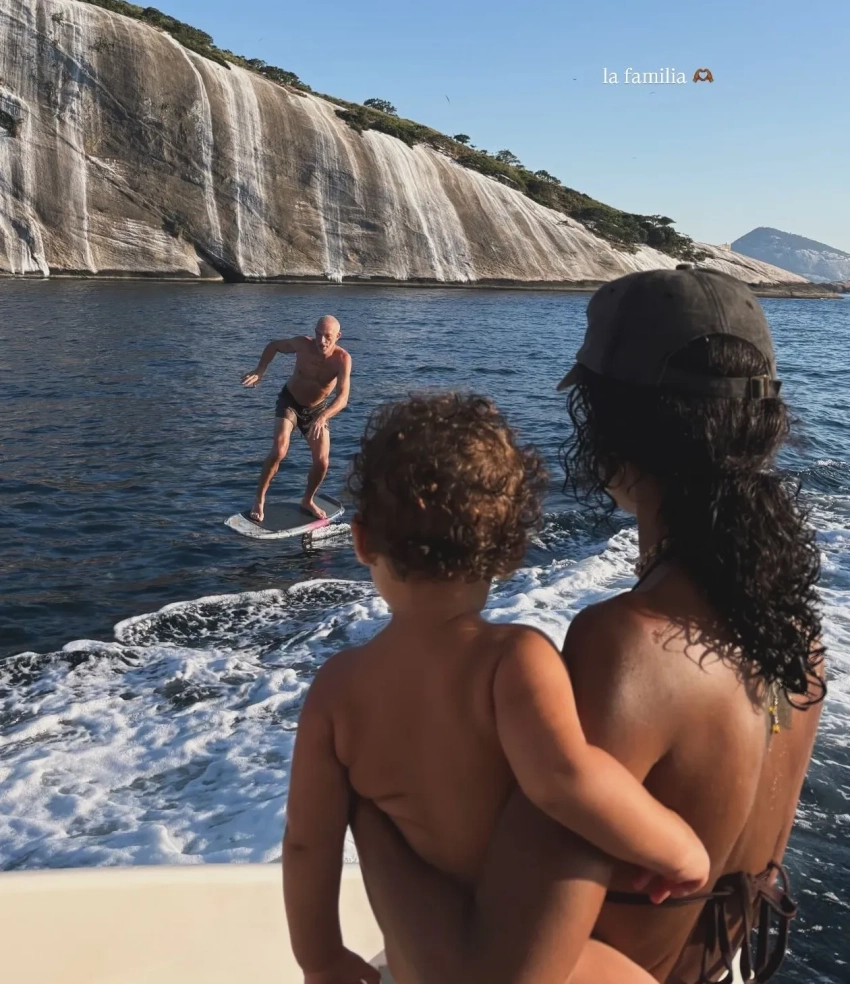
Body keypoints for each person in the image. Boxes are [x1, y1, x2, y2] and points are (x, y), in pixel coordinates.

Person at [348, 267, 826, 984]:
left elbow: (491, 976)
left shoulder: (627, 644)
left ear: (610, 425)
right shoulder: (796, 631)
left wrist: (364, 807)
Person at [282, 392, 711, 984]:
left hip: (419, 965)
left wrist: (322, 959)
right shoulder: (512, 660)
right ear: (508, 553)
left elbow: (307, 843)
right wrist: (676, 849)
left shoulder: (337, 690)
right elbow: (567, 781)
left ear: (361, 541)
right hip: (529, 960)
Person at [241, 315, 351, 521]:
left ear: (338, 336)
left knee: (322, 461)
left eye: (327, 337)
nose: (321, 341)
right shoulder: (302, 344)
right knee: (279, 450)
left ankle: (307, 500)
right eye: (318, 334)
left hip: (317, 411)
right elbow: (274, 346)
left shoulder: (343, 359)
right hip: (290, 402)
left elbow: (343, 398)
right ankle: (259, 498)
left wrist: (323, 417)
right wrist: (261, 369)